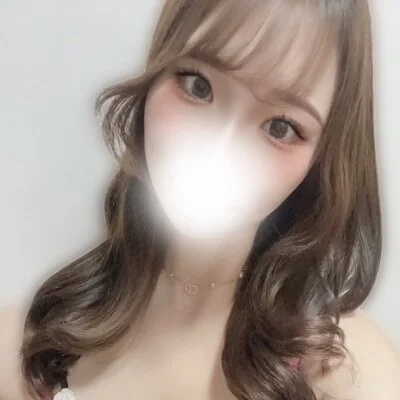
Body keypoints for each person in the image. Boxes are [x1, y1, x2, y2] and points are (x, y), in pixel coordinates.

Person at [1, 0, 399, 399]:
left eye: (281, 127)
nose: (221, 148)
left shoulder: (351, 377)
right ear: (156, 74)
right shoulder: (22, 345)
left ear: (321, 159)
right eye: (198, 85)